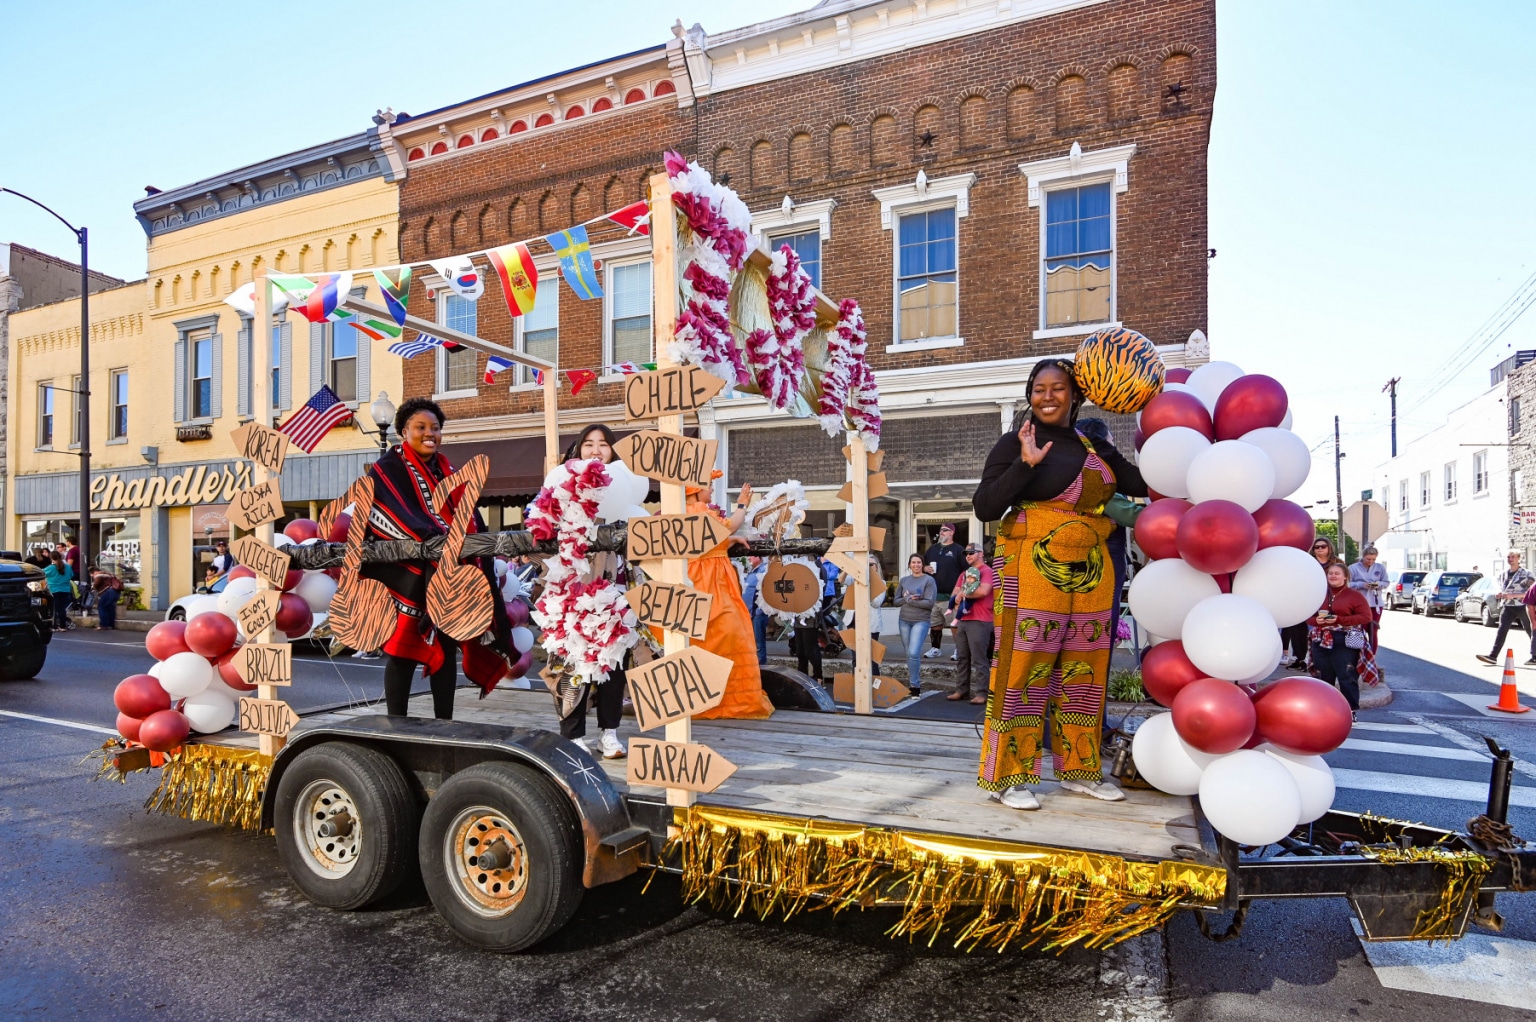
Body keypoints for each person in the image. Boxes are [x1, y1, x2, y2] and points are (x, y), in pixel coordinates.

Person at [971, 357, 1148, 811]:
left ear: (1075, 395)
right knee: (1024, 668)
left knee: (1085, 668)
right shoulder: (1015, 442)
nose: (1047, 397)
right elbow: (986, 507)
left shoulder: (1095, 447)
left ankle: (1079, 769)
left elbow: (1145, 483)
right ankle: (1007, 777)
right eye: (1038, 389)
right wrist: (1025, 467)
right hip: (1030, 564)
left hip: (1091, 565)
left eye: (1057, 388)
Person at [361, 397, 515, 722]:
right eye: (421, 427)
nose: (430, 433)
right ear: (404, 431)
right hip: (405, 577)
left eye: (435, 428)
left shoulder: (449, 471)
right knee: (402, 653)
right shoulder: (386, 470)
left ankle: (444, 723)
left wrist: (463, 549)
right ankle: (396, 724)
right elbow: (388, 515)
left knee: (445, 651)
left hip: (447, 580)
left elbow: (470, 519)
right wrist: (435, 537)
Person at [552, 424, 632, 756]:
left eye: (603, 444)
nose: (596, 450)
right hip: (574, 590)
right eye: (588, 444)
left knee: (614, 664)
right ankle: (573, 735)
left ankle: (609, 732)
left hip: (615, 590)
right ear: (578, 450)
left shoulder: (624, 490)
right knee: (573, 664)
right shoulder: (562, 486)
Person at [685, 477, 775, 720]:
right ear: (694, 490)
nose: (712, 490)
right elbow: (727, 527)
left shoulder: (687, 514)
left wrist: (728, 542)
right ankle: (729, 699)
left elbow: (715, 539)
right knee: (727, 637)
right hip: (711, 584)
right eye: (708, 486)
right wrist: (742, 505)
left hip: (704, 579)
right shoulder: (696, 510)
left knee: (707, 639)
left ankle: (709, 697)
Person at [1309, 561, 1372, 716]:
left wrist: (1339, 619)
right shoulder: (1319, 593)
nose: (1333, 576)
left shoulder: (1354, 596)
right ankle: (1325, 711)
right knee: (1323, 677)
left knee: (1346, 676)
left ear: (1345, 577)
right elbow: (1306, 614)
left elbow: (1366, 616)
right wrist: (1314, 621)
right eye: (1330, 573)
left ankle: (1350, 712)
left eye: (1337, 573)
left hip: (1345, 640)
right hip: (1321, 639)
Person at [946, 544, 995, 705]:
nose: (968, 555)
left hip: (981, 620)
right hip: (964, 620)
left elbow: (984, 591)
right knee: (962, 657)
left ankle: (982, 693)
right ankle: (961, 690)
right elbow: (955, 591)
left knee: (979, 658)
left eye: (971, 553)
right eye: (966, 553)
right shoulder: (964, 573)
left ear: (981, 553)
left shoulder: (987, 571)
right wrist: (957, 597)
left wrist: (962, 594)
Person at [1476, 550, 1536, 666]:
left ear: (1519, 558)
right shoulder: (1503, 574)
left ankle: (1534, 656)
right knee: (1501, 631)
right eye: (1509, 557)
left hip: (1523, 606)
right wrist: (1500, 594)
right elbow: (1502, 588)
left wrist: (1513, 595)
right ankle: (1493, 656)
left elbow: (1531, 594)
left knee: (1530, 629)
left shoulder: (1527, 574)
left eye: (1513, 557)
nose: (1510, 559)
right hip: (1507, 606)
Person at [894, 553, 937, 696]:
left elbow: (929, 603)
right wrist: (907, 599)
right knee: (908, 654)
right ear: (909, 565)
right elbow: (896, 601)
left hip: (921, 621)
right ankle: (913, 683)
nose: (916, 565)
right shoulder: (904, 580)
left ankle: (915, 687)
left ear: (922, 564)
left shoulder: (928, 580)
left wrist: (910, 600)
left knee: (913, 652)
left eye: (919, 562)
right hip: (904, 620)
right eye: (913, 562)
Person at [922, 524, 965, 660]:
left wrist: (961, 592)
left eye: (945, 530)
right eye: (941, 530)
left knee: (955, 625)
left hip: (951, 597)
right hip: (933, 596)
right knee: (935, 625)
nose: (941, 533)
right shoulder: (932, 549)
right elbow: (921, 563)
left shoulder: (958, 550)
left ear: (952, 532)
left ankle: (959, 650)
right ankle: (935, 649)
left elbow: (966, 572)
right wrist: (924, 568)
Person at [1348, 546, 1388, 652]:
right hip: (1359, 604)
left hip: (1376, 604)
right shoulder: (1353, 568)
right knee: (1360, 629)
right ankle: (1358, 656)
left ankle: (1372, 656)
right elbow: (1347, 584)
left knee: (1373, 630)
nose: (1371, 562)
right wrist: (1361, 584)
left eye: (1373, 559)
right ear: (1363, 557)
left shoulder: (1380, 568)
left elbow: (1386, 582)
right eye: (1368, 559)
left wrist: (1377, 584)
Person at [742, 555, 770, 666]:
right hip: (749, 612)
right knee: (752, 642)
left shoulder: (763, 570)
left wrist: (758, 610)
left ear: (759, 557)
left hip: (757, 613)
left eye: (752, 556)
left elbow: (765, 591)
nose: (748, 558)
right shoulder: (752, 571)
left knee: (759, 642)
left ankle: (761, 666)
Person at [44, 551, 74, 632]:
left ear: (51, 558)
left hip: (54, 590)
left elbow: (41, 573)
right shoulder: (68, 567)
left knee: (54, 609)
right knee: (62, 609)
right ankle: (62, 626)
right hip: (65, 589)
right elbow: (71, 575)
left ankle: (54, 626)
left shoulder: (50, 568)